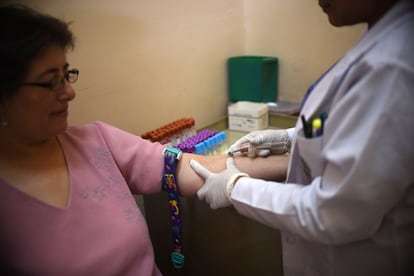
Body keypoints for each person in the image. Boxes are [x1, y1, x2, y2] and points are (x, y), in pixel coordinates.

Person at [0, 4, 289, 276]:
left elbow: (194, 167)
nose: (69, 92)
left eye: (66, 75)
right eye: (51, 80)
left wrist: (300, 153)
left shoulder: (96, 141)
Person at [190, 0, 414, 275]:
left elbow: (335, 214)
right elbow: (336, 118)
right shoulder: (377, 41)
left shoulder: (393, 67)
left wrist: (234, 187)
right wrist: (290, 137)